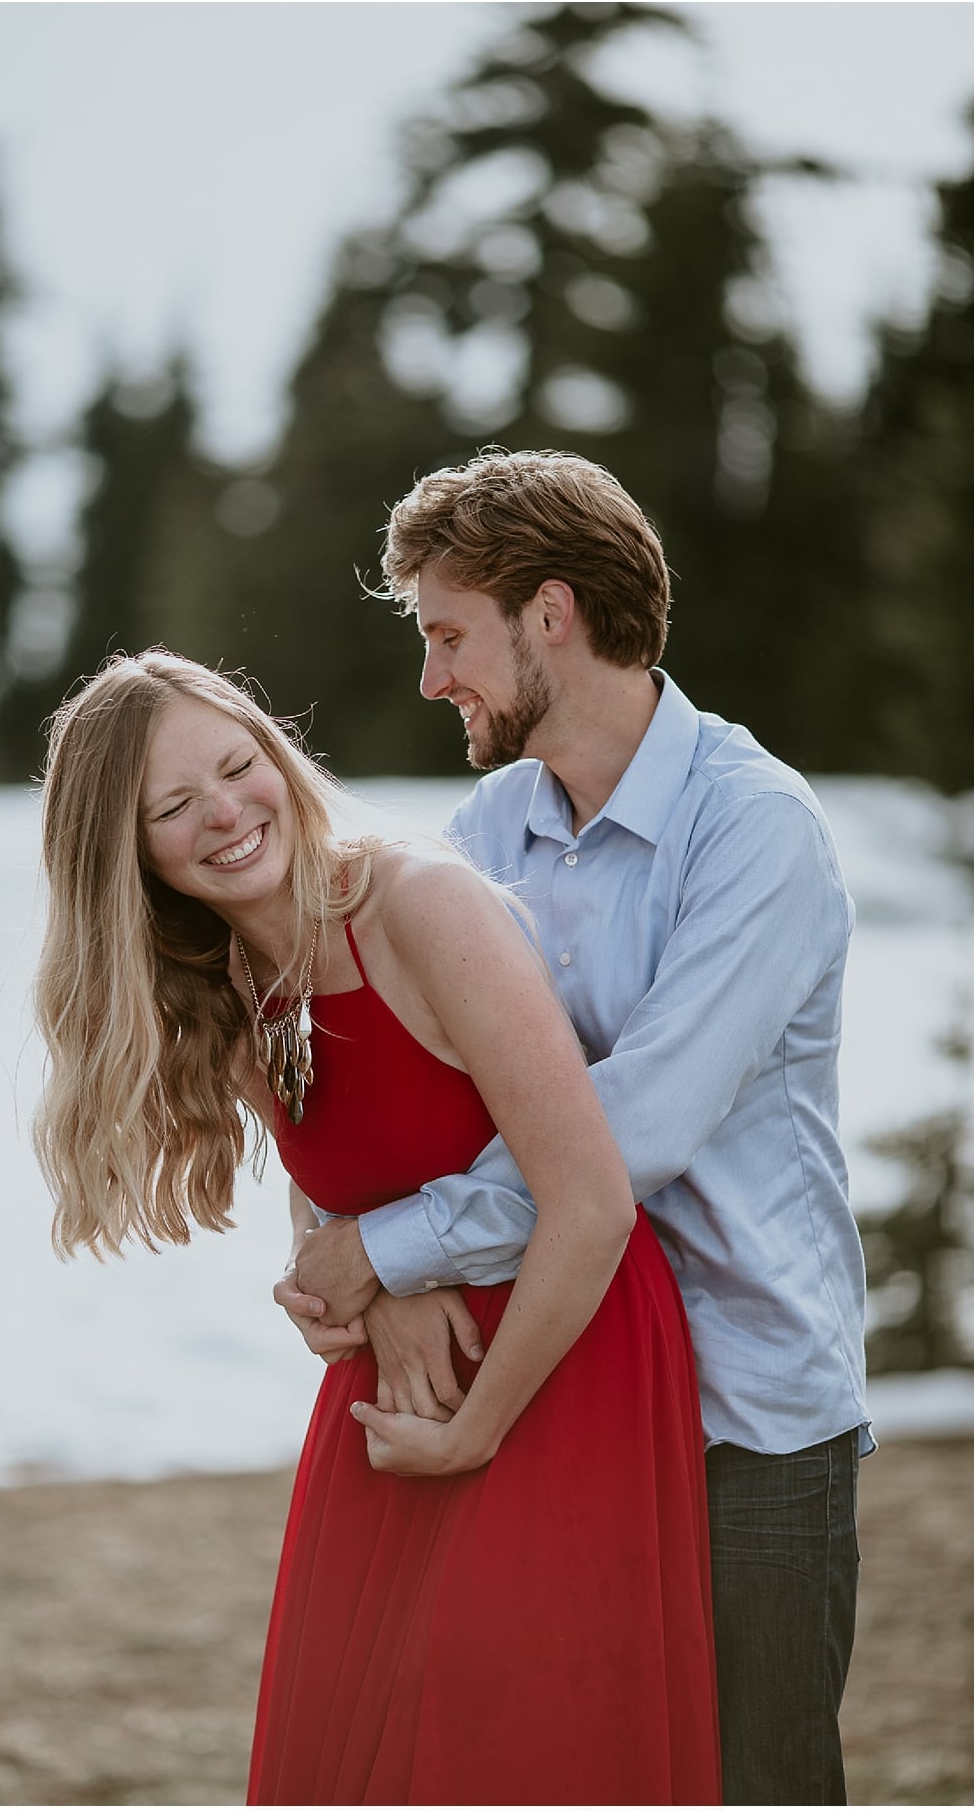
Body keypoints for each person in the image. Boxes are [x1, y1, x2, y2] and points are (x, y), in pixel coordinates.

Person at [278, 449, 866, 1805]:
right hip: (567, 1387)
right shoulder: (489, 828)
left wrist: (397, 1246)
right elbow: (378, 1057)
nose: (432, 681)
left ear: (552, 615)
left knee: (760, 1781)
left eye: (447, 636)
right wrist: (356, 1256)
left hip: (746, 1411)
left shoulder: (755, 829)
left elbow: (625, 1130)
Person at [33, 650, 719, 1803]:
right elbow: (337, 1207)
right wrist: (359, 1293)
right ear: (127, 853)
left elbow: (593, 1200)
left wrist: (475, 1425)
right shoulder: (229, 981)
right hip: (394, 1386)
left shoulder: (416, 902)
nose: (225, 812)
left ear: (277, 755)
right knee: (353, 1750)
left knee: (509, 1734)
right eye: (171, 804)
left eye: (239, 765)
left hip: (558, 1358)